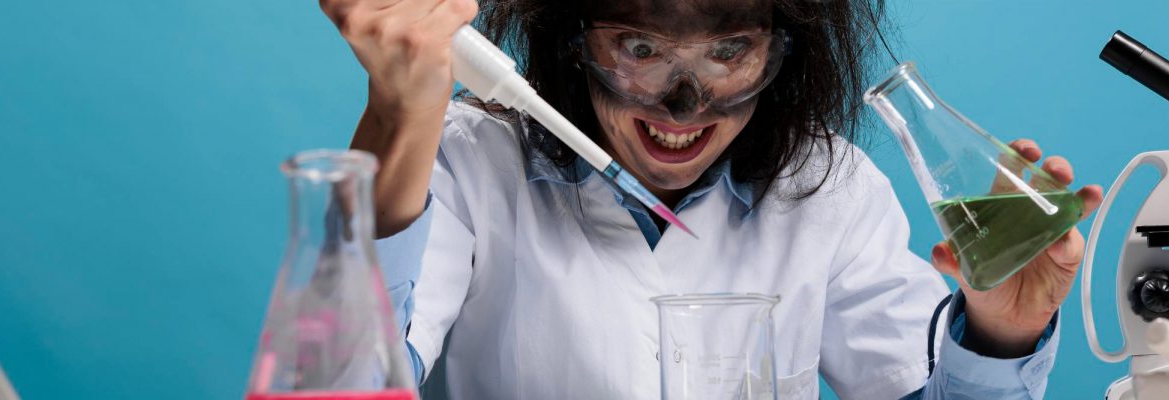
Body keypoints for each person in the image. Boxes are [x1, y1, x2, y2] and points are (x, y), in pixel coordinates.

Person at [317, 0, 1104, 398]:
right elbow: (339, 381)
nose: (684, 105)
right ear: (573, 41)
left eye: (729, 50)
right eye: (641, 47)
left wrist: (1001, 334)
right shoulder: (462, 160)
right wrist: (403, 107)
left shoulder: (827, 190)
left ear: (785, 50)